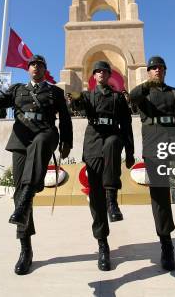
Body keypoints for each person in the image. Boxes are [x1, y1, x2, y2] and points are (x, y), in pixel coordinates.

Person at [0, 54, 72, 275]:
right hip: (20, 140)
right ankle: (25, 248)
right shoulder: (17, 89)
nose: (36, 68)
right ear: (28, 69)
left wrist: (67, 142)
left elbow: (66, 118)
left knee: (40, 144)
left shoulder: (55, 92)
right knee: (19, 196)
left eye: (40, 65)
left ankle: (28, 192)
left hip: (45, 133)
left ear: (44, 69)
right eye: (32, 65)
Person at [129, 56, 175, 272]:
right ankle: (166, 244)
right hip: (154, 140)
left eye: (160, 68)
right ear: (148, 72)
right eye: (153, 68)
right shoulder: (144, 92)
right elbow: (132, 98)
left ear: (165, 71)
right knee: (159, 194)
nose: (157, 71)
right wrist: (146, 85)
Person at [70, 61, 134, 271]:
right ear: (94, 76)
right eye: (97, 71)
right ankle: (102, 243)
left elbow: (126, 125)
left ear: (109, 74)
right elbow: (77, 107)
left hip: (112, 136)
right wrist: (75, 98)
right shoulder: (89, 95)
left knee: (115, 142)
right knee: (95, 196)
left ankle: (112, 200)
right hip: (93, 142)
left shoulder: (117, 97)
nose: (100, 74)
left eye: (104, 71)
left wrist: (131, 152)